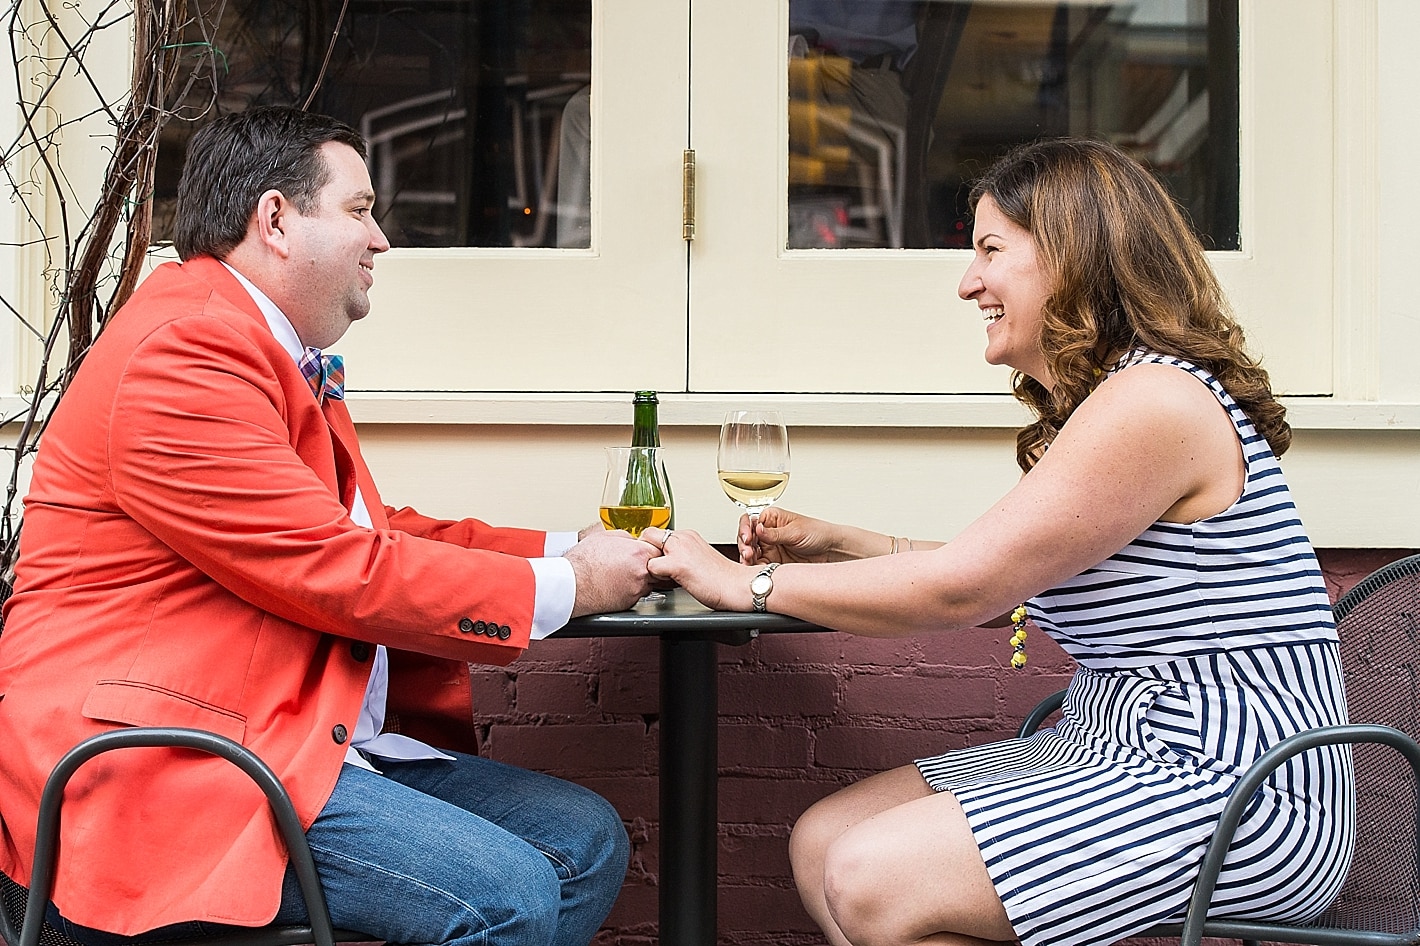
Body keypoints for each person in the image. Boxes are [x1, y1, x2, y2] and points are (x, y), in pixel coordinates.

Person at [643, 138, 1354, 946]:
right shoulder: (1117, 401)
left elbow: (962, 589)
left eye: (990, 250)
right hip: (1112, 740)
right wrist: (837, 541)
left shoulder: (1154, 400)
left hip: (1241, 787)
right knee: (824, 843)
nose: (967, 282)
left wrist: (744, 584)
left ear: (1074, 256)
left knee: (873, 875)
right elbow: (992, 565)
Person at [0, 106, 660, 946]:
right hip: (164, 763)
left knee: (581, 842)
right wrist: (572, 587)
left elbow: (374, 531)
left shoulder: (252, 344)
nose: (381, 239)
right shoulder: (186, 350)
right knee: (508, 895)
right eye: (359, 209)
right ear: (275, 220)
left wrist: (572, 550)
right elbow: (336, 564)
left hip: (269, 732)